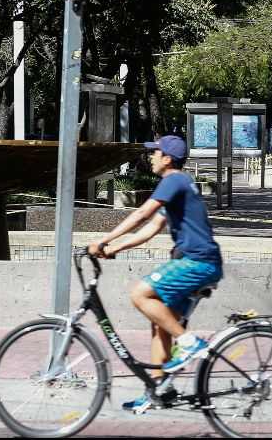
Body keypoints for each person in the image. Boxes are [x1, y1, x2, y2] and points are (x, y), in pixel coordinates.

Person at [88, 135, 223, 413]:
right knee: (160, 323)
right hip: (202, 262)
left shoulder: (173, 180)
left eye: (154, 153)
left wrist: (103, 240)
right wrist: (115, 247)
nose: (150, 157)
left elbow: (141, 215)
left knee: (140, 293)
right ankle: (159, 391)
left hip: (197, 262)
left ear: (168, 158)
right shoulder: (181, 185)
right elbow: (149, 229)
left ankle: (189, 344)